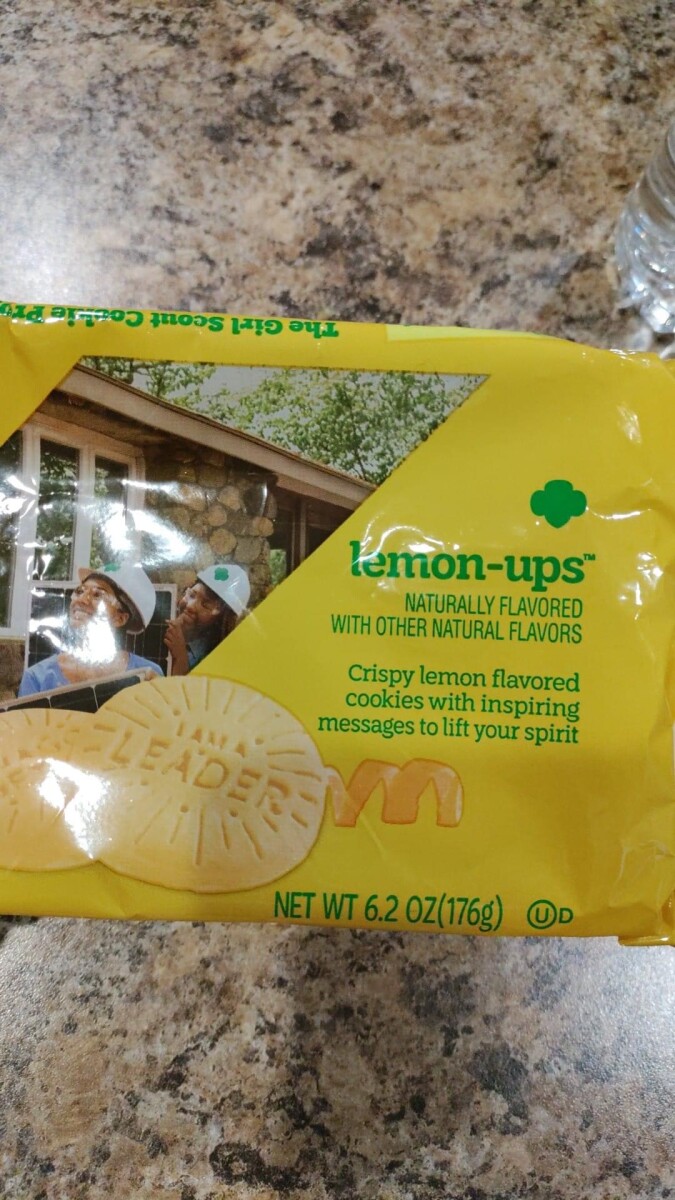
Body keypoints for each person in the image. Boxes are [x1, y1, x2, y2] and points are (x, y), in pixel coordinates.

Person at [18, 562, 163, 697]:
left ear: (120, 619)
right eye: (80, 591)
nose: (81, 599)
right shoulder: (37, 678)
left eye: (97, 595)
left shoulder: (148, 675)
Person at [164, 563, 250, 676]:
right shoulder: (160, 622)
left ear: (222, 620)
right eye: (191, 595)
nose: (190, 606)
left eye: (205, 605)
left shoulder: (217, 661)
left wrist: (180, 659)